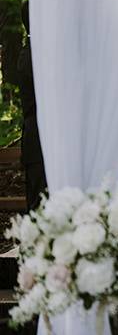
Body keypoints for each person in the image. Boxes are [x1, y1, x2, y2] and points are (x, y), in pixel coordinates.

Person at [17, 12, 47, 212]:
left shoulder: (36, 53)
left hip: (43, 141)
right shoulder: (31, 56)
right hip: (38, 141)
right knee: (38, 207)